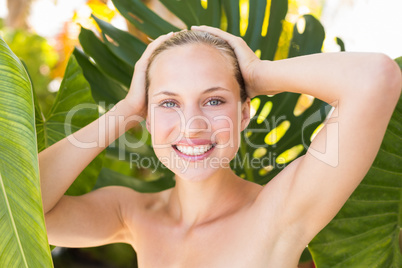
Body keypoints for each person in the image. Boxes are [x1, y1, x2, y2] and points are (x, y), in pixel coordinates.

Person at [39, 26, 401, 267]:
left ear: (244, 114)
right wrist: (126, 109)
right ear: (147, 120)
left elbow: (375, 77)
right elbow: (22, 210)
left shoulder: (278, 212)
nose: (193, 126)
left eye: (213, 101)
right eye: (169, 104)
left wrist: (260, 75)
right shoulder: (132, 214)